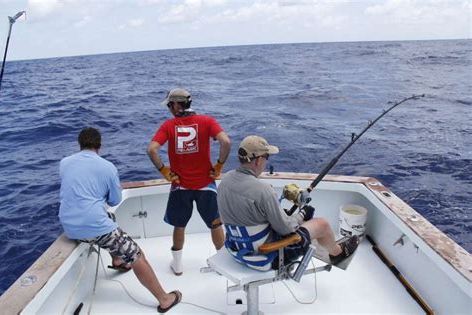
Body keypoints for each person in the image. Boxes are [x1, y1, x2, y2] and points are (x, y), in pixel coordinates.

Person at [59, 127, 181, 313]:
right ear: (99, 146)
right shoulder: (107, 167)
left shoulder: (64, 163)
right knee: (137, 256)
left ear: (80, 144)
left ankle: (117, 261)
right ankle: (164, 299)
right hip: (94, 226)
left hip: (69, 226)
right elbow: (115, 200)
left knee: (110, 218)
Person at [217, 135, 359, 271]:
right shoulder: (263, 190)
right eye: (267, 157)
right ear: (258, 160)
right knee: (322, 224)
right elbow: (286, 229)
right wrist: (302, 215)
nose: (266, 162)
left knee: (290, 220)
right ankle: (338, 252)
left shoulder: (225, 181)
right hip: (268, 255)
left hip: (238, 248)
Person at [147, 88, 231, 276]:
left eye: (170, 105)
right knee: (215, 224)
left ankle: (177, 266)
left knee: (180, 224)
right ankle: (224, 265)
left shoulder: (168, 126)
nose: (169, 108)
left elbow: (152, 149)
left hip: (180, 186)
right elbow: (225, 142)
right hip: (206, 185)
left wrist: (164, 171)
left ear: (176, 105)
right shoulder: (208, 121)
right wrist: (219, 167)